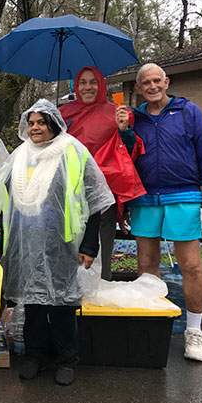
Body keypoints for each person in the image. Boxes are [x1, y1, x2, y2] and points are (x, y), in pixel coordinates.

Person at [0, 99, 113, 386]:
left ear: (54, 124)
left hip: (63, 243)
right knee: (33, 302)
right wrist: (3, 242)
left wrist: (89, 246)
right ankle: (35, 356)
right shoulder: (20, 155)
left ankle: (67, 358)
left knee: (62, 303)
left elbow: (95, 200)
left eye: (41, 122)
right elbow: (5, 204)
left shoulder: (72, 151)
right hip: (27, 242)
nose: (35, 128)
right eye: (31, 122)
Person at [127, 63, 202, 362]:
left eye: (157, 80)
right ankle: (152, 325)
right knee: (146, 264)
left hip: (183, 194)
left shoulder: (188, 112)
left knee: (190, 264)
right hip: (145, 197)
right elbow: (125, 155)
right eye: (146, 83)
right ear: (139, 88)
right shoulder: (134, 118)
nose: (152, 86)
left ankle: (194, 331)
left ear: (166, 82)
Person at [59, 66, 146, 280]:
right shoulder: (63, 114)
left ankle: (100, 290)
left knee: (101, 245)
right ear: (76, 86)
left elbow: (129, 152)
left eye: (93, 82)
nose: (88, 87)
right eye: (82, 82)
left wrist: (124, 129)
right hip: (68, 192)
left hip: (104, 192)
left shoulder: (116, 112)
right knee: (65, 243)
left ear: (101, 85)